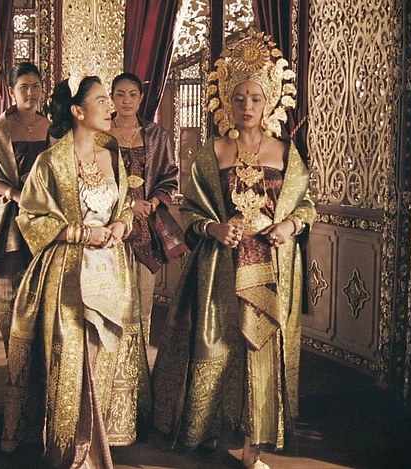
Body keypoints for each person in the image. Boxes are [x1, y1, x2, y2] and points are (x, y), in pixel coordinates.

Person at [151, 27, 315, 469]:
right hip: (221, 268)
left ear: (270, 101)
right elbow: (189, 209)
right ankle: (204, 430)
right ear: (226, 99)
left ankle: (252, 446)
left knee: (260, 351)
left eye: (255, 98)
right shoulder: (213, 152)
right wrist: (214, 228)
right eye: (239, 97)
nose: (247, 106)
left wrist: (290, 225)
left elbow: (307, 205)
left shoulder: (286, 152)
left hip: (273, 268)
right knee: (219, 347)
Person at [0, 75, 147, 468]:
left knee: (102, 355)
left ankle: (95, 445)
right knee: (70, 358)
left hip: (111, 271)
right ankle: (69, 451)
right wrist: (82, 232)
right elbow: (31, 216)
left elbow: (125, 207)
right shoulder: (51, 162)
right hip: (67, 273)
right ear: (78, 111)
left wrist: (121, 226)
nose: (111, 107)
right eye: (101, 100)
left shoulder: (112, 156)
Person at [0, 62, 50, 353]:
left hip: (44, 219)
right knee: (10, 295)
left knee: (42, 295)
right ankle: (15, 363)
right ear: (12, 90)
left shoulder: (50, 127)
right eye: (23, 87)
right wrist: (14, 193)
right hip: (9, 223)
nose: (30, 93)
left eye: (35, 86)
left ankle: (39, 368)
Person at [106, 72, 184, 349]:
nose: (126, 100)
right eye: (120, 94)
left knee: (143, 298)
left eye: (132, 94)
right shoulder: (101, 134)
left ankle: (138, 361)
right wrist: (129, 203)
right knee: (111, 296)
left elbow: (170, 176)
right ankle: (110, 362)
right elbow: (93, 178)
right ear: (112, 98)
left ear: (140, 98)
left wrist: (153, 203)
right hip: (110, 223)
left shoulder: (156, 135)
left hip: (146, 228)